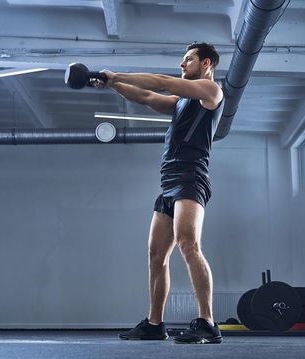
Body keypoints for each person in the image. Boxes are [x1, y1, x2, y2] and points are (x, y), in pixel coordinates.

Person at [92, 42, 224, 344]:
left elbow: (161, 82)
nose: (182, 64)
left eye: (187, 59)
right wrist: (114, 85)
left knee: (188, 244)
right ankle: (154, 324)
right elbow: (147, 96)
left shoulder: (211, 92)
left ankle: (207, 322)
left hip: (191, 178)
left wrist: (115, 74)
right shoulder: (181, 101)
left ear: (205, 64)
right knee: (155, 255)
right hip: (169, 182)